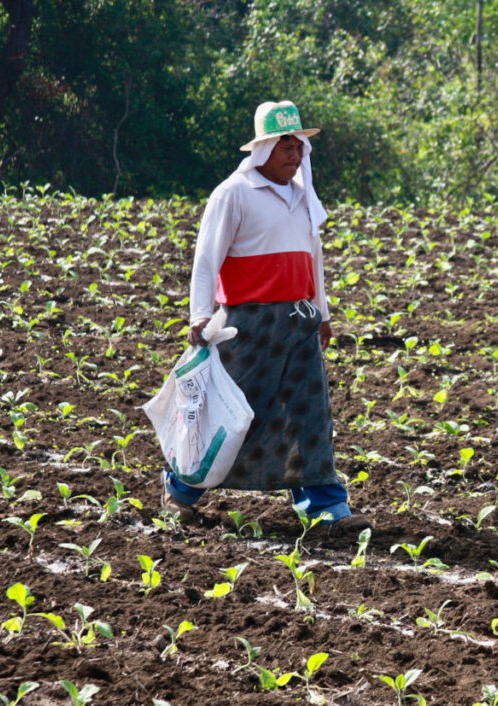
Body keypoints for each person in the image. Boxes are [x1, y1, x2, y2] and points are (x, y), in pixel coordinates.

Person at [160, 100, 371, 535]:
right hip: (247, 324)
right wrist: (199, 315)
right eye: (286, 146)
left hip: (298, 320)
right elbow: (205, 260)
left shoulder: (301, 196)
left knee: (310, 411)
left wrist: (323, 313)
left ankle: (325, 506)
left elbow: (313, 259)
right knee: (231, 411)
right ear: (263, 150)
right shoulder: (233, 194)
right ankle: (179, 489)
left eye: (299, 146)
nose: (295, 155)